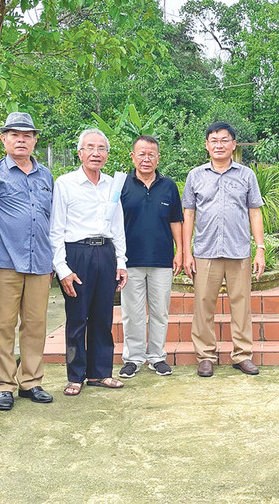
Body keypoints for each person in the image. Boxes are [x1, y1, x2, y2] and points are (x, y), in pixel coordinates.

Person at [0, 112, 55, 410]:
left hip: (39, 263)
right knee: (3, 326)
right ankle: (4, 383)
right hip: (4, 262)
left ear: (35, 140)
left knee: (35, 324)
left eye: (27, 135)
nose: (21, 140)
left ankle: (31, 381)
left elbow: (49, 219)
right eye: (14, 134)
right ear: (4, 139)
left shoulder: (46, 175)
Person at [182, 121, 265, 377]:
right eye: (214, 140)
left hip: (238, 251)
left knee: (241, 306)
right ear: (207, 145)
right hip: (205, 251)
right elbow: (188, 214)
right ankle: (206, 355)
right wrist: (186, 252)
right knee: (203, 305)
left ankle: (242, 355)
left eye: (224, 140)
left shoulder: (246, 175)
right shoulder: (195, 176)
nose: (219, 145)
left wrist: (260, 248)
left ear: (233, 144)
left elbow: (254, 212)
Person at [50, 128, 128, 396]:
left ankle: (100, 373)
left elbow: (118, 227)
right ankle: (76, 375)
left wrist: (121, 262)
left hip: (105, 253)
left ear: (107, 154)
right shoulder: (65, 183)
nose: (96, 153)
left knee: (103, 317)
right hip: (77, 254)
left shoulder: (113, 185)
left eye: (102, 149)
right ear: (80, 153)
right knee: (77, 318)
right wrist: (62, 268)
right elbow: (56, 230)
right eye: (90, 148)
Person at [118, 135, 183, 378]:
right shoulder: (122, 185)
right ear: (133, 156)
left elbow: (176, 220)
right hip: (130, 261)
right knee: (132, 313)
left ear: (158, 158)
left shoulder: (169, 186)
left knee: (159, 312)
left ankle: (156, 357)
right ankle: (133, 358)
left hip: (162, 260)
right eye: (141, 154)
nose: (146, 159)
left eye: (151, 154)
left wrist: (181, 252)